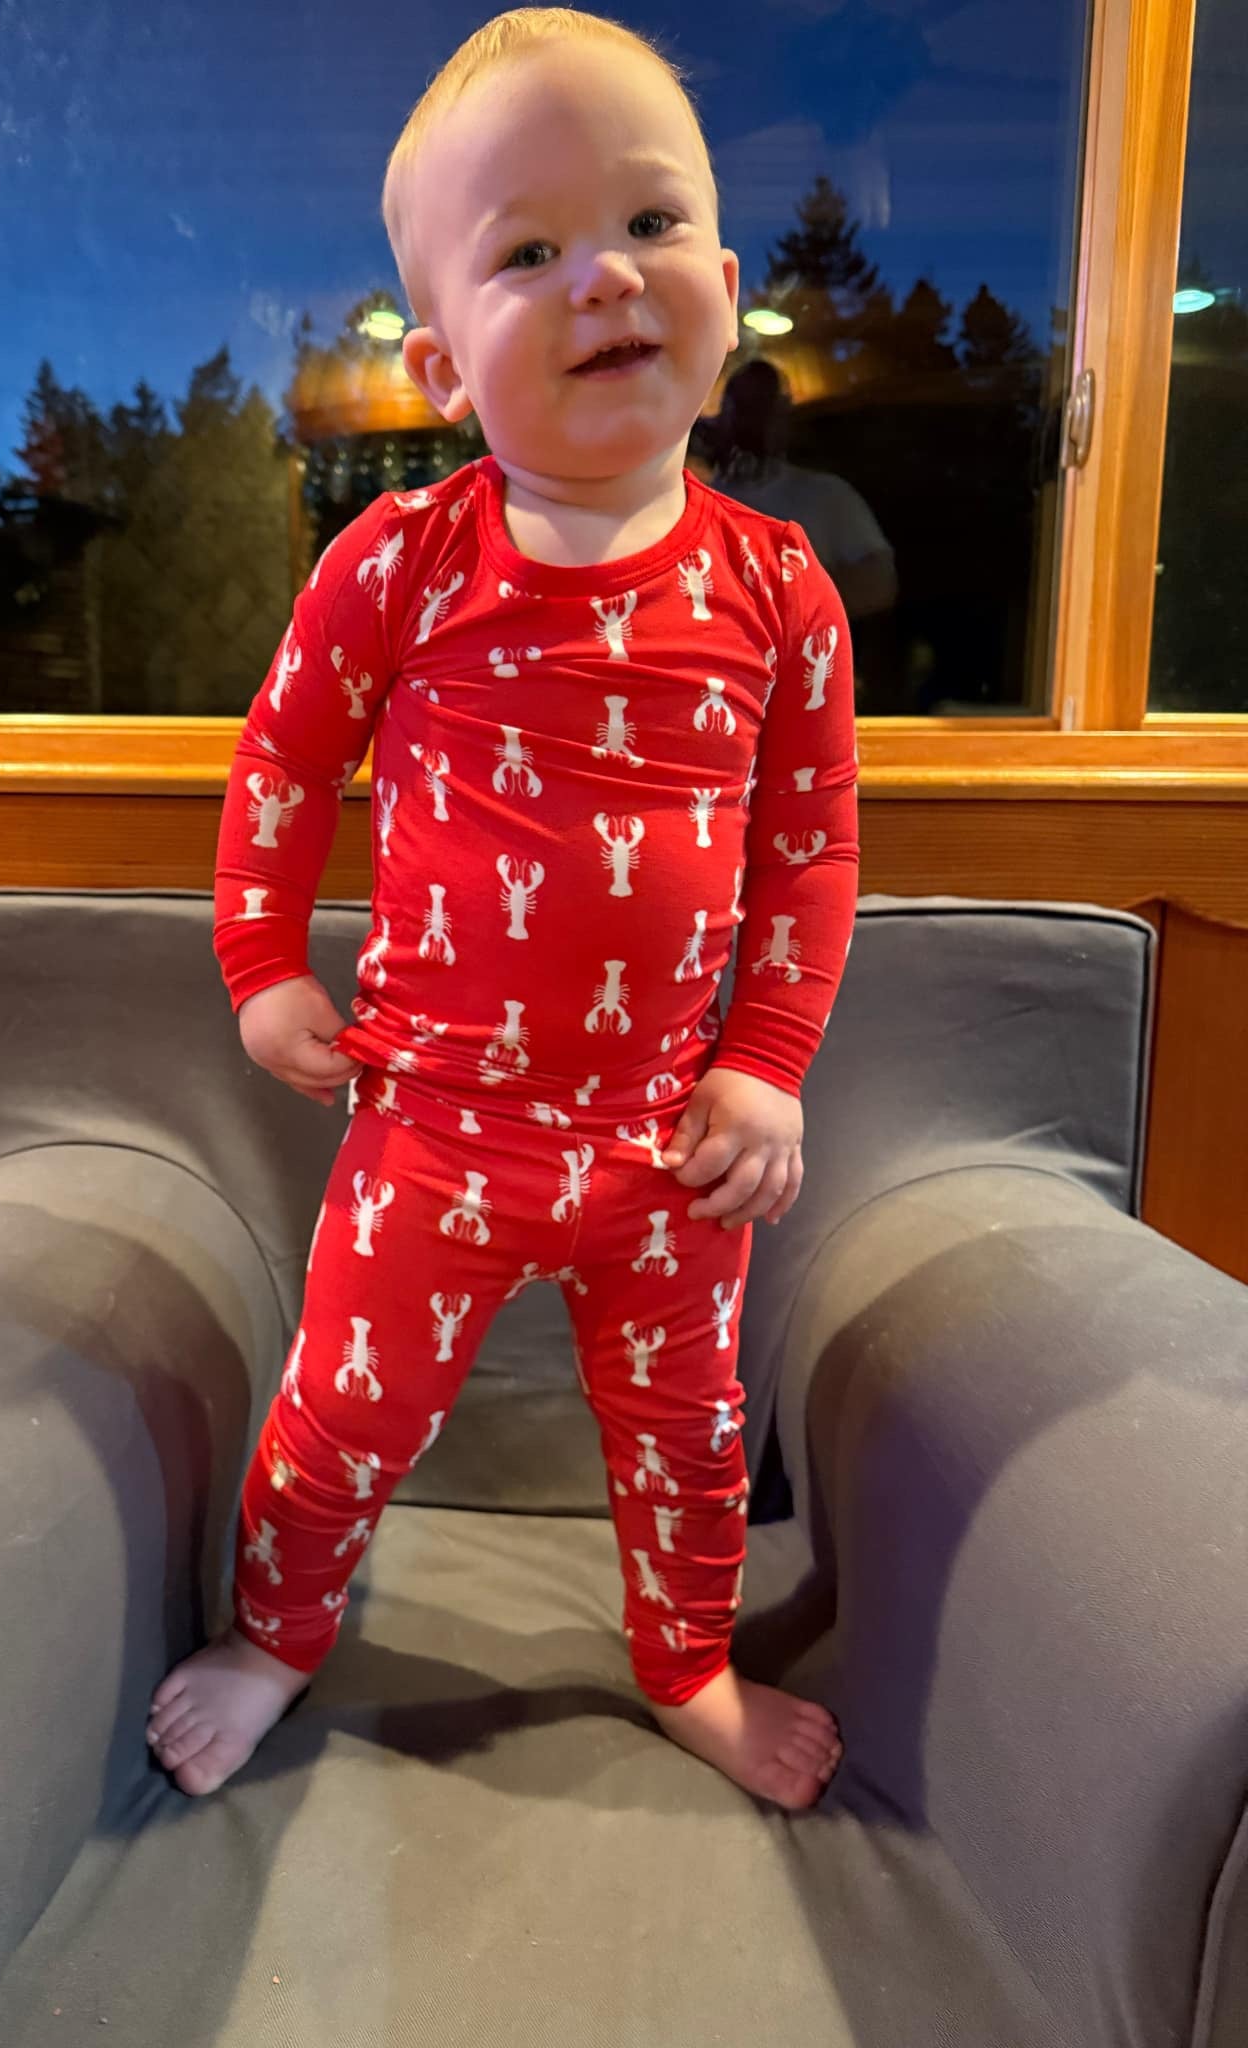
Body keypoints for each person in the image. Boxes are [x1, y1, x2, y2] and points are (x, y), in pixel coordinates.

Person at [148, 6, 857, 1811]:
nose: (601, 276)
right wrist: (256, 962)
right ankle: (278, 1634)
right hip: (429, 1125)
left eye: (645, 222)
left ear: (723, 275)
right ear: (450, 366)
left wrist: (766, 1068)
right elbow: (283, 765)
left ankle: (684, 1661)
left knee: (696, 1445)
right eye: (527, 251)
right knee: (333, 1423)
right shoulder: (397, 562)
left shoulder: (783, 594)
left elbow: (808, 851)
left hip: (665, 1140)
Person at [704, 357, 898, 621]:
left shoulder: (826, 496)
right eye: (740, 407)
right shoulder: (696, 502)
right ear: (722, 419)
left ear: (783, 420)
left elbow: (879, 586)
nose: (750, 422)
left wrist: (789, 598)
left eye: (762, 407)